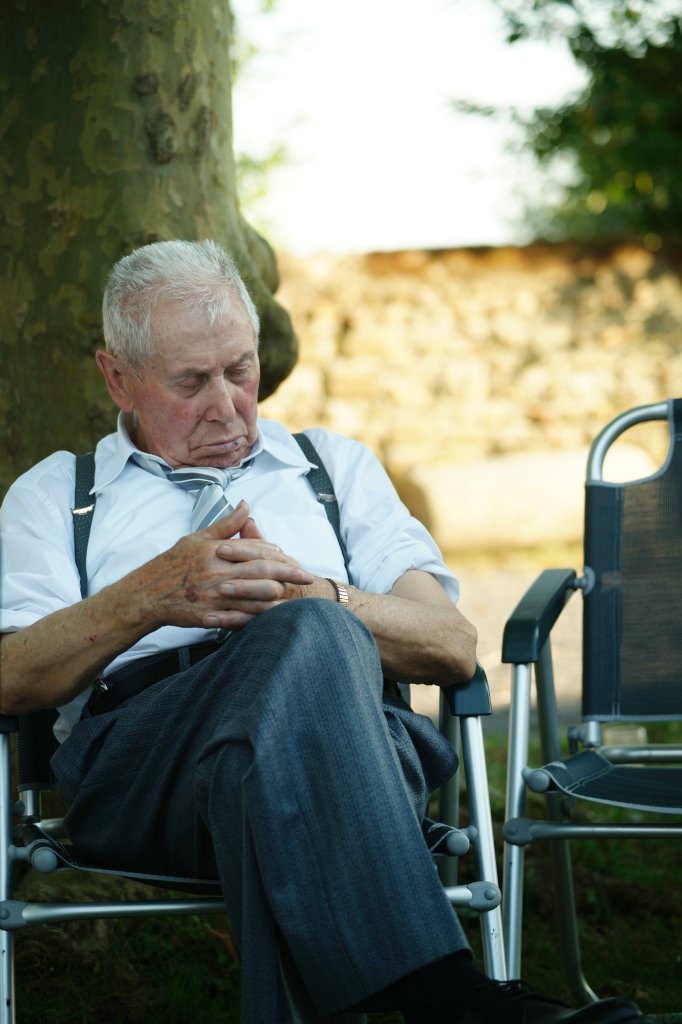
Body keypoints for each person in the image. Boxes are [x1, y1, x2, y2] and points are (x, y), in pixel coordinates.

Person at [0, 240, 650, 1024]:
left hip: (354, 748)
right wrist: (149, 597)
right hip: (147, 775)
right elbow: (12, 676)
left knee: (274, 708)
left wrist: (316, 596)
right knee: (290, 673)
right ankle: (452, 998)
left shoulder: (334, 469)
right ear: (118, 378)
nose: (226, 405)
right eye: (190, 382)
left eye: (240, 370)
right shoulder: (57, 494)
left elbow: (451, 646)